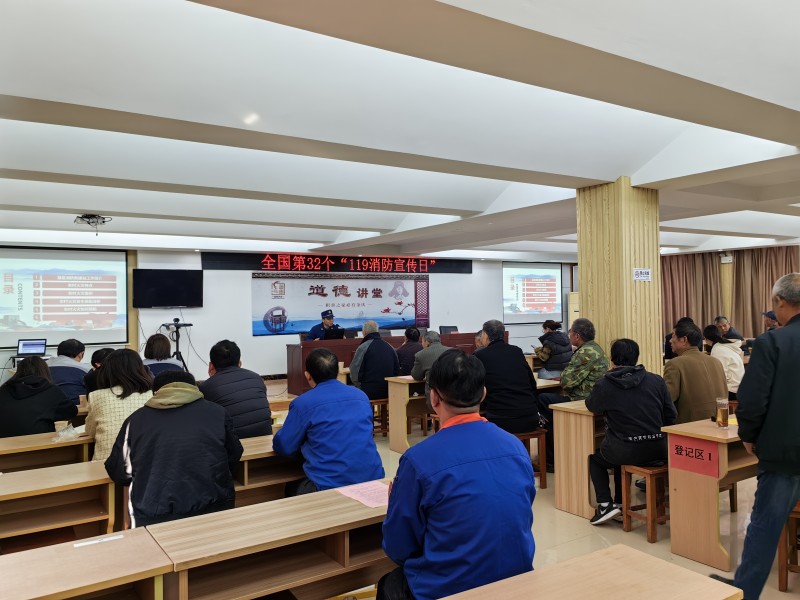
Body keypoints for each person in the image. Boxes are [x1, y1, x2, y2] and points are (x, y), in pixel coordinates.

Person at [379, 349, 536, 600]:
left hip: (447, 588)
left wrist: (394, 504)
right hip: (516, 579)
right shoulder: (515, 447)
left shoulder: (418, 459)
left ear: (433, 397)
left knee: (389, 584)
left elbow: (399, 548)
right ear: (483, 394)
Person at [710, 273, 800, 599]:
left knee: (765, 523)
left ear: (779, 302)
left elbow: (753, 399)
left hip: (785, 452)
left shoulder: (772, 342)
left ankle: (745, 591)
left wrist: (748, 434)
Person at [105, 370, 243, 527]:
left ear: (155, 392)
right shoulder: (218, 413)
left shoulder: (135, 421)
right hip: (216, 507)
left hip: (154, 515)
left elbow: (119, 472)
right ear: (195, 388)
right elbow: (234, 454)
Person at [585, 339, 677, 524]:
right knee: (617, 454)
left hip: (625, 450)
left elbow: (592, 405)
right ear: (636, 357)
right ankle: (620, 503)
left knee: (596, 460)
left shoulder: (605, 384)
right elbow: (671, 415)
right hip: (659, 449)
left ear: (612, 358)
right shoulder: (656, 380)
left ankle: (605, 505)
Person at [273, 348, 384, 494]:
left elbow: (285, 447)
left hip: (329, 487)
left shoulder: (303, 403)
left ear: (307, 375)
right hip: (373, 480)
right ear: (337, 372)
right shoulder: (361, 396)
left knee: (290, 486)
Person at [538, 318, 608, 469]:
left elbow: (567, 382)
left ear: (577, 336)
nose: (569, 335)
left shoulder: (584, 353)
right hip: (594, 398)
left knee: (542, 399)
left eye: (570, 332)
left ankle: (551, 459)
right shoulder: (596, 348)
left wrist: (563, 377)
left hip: (582, 400)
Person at [86, 349, 153, 462]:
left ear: (108, 371)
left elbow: (90, 432)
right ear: (140, 369)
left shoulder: (96, 396)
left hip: (106, 464)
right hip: (145, 462)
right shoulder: (152, 395)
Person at [474, 319, 539, 433]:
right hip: (530, 417)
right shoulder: (516, 351)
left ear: (486, 335)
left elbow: (475, 388)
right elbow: (532, 383)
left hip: (500, 420)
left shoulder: (480, 355)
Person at [199, 340, 272, 439]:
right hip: (264, 439)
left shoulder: (206, 387)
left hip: (232, 445)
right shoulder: (257, 378)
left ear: (211, 366)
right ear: (239, 363)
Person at [663, 320, 727, 423]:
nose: (670, 340)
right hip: (719, 421)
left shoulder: (674, 364)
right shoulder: (716, 361)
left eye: (673, 336)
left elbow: (667, 399)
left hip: (690, 425)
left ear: (684, 339)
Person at [0, 356, 76, 438]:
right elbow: (72, 412)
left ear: (18, 371)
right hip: (41, 442)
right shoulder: (50, 390)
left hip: (4, 443)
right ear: (45, 371)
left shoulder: (3, 389)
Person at [350, 320, 400, 400]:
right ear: (377, 331)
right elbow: (396, 370)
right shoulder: (389, 347)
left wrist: (359, 387)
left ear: (364, 332)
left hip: (368, 391)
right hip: (389, 390)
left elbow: (354, 372)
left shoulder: (363, 347)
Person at [703, 324, 745, 401]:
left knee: (702, 393)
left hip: (732, 390)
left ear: (706, 339)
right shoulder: (725, 346)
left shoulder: (718, 350)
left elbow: (721, 376)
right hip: (739, 387)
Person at [410, 331, 451, 408]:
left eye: (422, 341)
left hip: (434, 399)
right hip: (453, 397)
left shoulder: (420, 355)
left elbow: (416, 376)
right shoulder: (452, 351)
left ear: (426, 341)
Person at [48, 338, 91, 404]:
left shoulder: (43, 366)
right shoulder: (86, 369)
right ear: (81, 354)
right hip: (76, 406)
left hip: (47, 405)